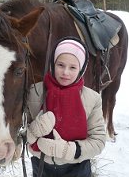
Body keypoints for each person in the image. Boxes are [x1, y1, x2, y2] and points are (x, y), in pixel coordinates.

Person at [26, 37, 106, 177]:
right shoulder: (34, 92)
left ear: (81, 69)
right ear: (52, 63)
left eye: (73, 67)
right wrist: (31, 133)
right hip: (41, 165)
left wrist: (69, 151)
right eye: (61, 65)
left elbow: (98, 141)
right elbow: (18, 131)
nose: (65, 72)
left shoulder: (92, 99)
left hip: (77, 168)